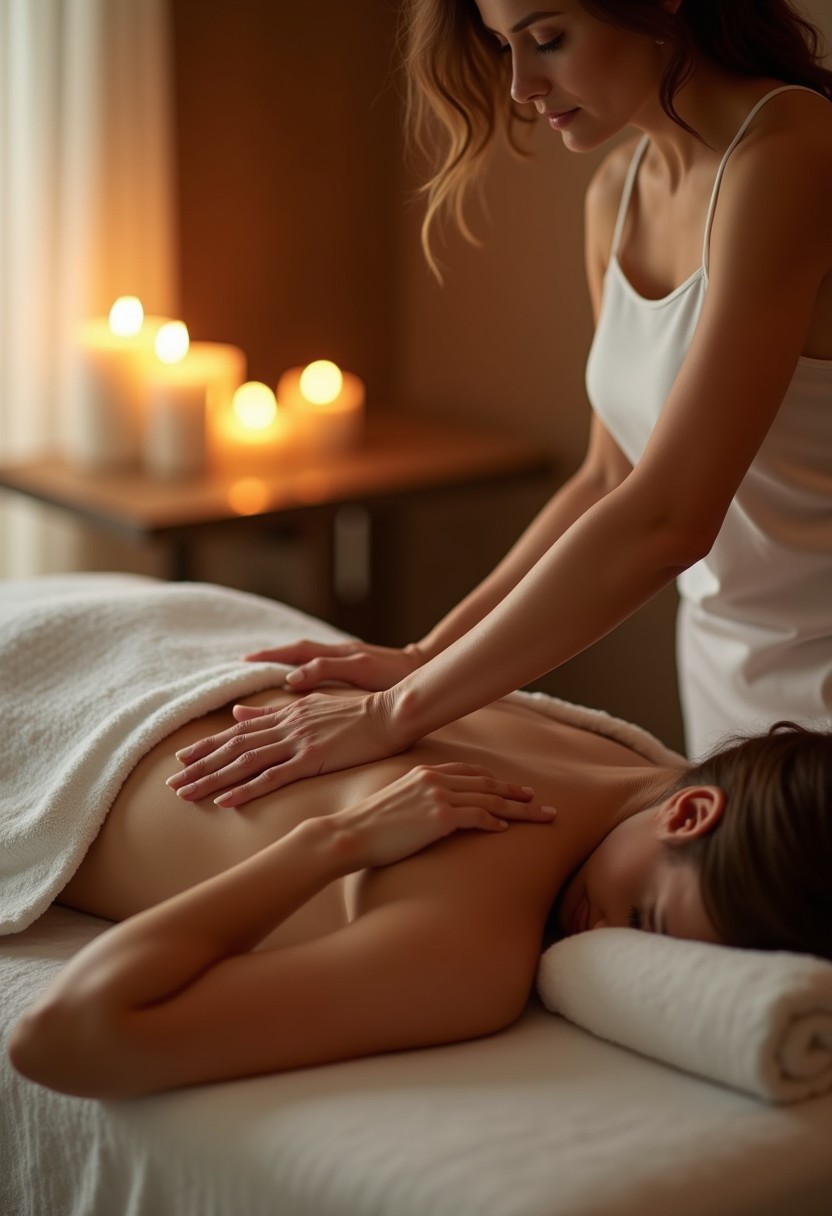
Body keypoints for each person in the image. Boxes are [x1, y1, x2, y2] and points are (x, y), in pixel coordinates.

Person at [169, 0, 832, 811]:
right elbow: (609, 478)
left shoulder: (792, 151)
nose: (520, 84)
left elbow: (671, 519)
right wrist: (425, 653)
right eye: (501, 46)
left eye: (548, 39)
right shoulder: (617, 193)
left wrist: (393, 713)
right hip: (726, 688)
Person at [6, 576, 832, 1099]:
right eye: (648, 923)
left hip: (147, 607)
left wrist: (334, 842)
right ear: (688, 813)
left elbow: (66, 1038)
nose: (614, 946)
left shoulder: (618, 756)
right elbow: (66, 1041)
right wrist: (335, 840)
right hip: (107, 662)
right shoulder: (469, 954)